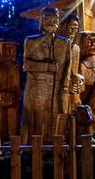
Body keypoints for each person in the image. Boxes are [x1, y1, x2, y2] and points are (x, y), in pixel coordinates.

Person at [20, 8, 72, 142]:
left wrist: (65, 88)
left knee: (54, 121)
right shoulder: (31, 41)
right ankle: (32, 148)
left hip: (56, 88)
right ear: (41, 20)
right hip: (36, 87)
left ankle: (51, 148)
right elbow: (26, 65)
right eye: (48, 18)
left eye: (55, 18)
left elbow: (67, 67)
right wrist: (47, 67)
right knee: (35, 121)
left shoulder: (64, 43)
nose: (52, 21)